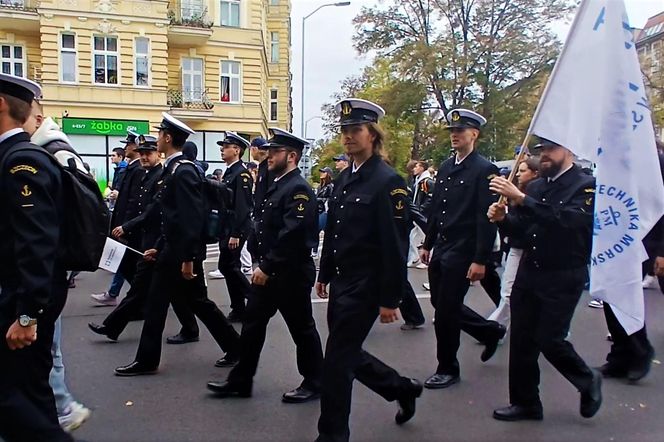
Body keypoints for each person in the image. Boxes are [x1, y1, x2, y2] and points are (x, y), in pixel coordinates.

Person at [315, 98, 422, 442]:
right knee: (346, 354)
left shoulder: (388, 182)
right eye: (344, 130)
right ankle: (401, 388)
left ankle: (332, 436)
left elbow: (395, 245)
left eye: (355, 130)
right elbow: (334, 229)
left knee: (335, 363)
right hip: (343, 281)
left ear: (372, 135)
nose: (347, 137)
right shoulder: (347, 177)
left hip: (366, 284)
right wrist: (324, 272)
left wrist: (391, 298)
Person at [114, 113, 240, 376]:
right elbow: (170, 218)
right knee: (187, 302)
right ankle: (236, 348)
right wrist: (158, 246)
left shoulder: (182, 171)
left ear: (168, 138)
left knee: (175, 303)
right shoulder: (178, 168)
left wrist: (188, 260)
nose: (157, 138)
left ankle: (148, 360)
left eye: (159, 134)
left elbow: (189, 219)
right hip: (173, 249)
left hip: (181, 252)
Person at [488, 136, 602, 421]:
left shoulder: (586, 185)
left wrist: (522, 199)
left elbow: (568, 221)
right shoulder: (538, 186)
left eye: (551, 149)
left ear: (569, 150)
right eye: (541, 150)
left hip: (564, 273)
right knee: (522, 340)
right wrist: (504, 219)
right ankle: (525, 402)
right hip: (531, 270)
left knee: (550, 339)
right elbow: (525, 232)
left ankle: (587, 379)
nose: (545, 155)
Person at [207, 128, 324, 403]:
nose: (269, 156)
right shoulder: (277, 183)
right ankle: (240, 380)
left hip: (290, 273)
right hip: (269, 271)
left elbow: (292, 234)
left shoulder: (298, 189)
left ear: (292, 156)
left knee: (302, 329)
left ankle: (315, 381)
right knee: (252, 325)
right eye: (269, 151)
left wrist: (267, 265)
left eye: (275, 152)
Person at [0, 73, 73, 441]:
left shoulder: (21, 162)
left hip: (21, 301)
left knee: (15, 400)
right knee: (28, 395)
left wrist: (27, 315)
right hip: (20, 297)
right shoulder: (15, 156)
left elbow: (37, 244)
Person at [418, 109, 506, 390]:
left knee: (445, 312)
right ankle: (489, 330)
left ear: (474, 135)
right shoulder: (446, 167)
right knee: (440, 304)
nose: (455, 135)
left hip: (464, 248)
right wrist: (427, 242)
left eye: (461, 131)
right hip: (443, 245)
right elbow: (436, 209)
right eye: (452, 131)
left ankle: (447, 367)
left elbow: (486, 217)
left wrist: (480, 259)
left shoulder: (484, 169)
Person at [88, 136, 200, 344]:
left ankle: (113, 327)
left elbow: (159, 211)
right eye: (141, 153)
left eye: (148, 153)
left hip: (159, 239)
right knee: (169, 291)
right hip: (152, 239)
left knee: (149, 289)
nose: (144, 157)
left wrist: (130, 228)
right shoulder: (148, 174)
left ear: (159, 154)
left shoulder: (167, 174)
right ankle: (190, 329)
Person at [23, 99, 92, 433]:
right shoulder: (42, 151)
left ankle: (60, 408)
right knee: (46, 346)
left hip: (45, 270)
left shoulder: (45, 154)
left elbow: (50, 223)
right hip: (50, 270)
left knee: (41, 346)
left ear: (37, 118)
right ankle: (61, 406)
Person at [598, 142, 662, 382]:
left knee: (627, 297)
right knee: (609, 297)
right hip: (613, 239)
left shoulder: (655, 164)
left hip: (644, 241)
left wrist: (662, 251)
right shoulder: (612, 163)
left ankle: (640, 352)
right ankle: (619, 355)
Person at [487, 157, 539, 331]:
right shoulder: (515, 192)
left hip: (531, 250)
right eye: (519, 170)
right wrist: (502, 217)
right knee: (508, 290)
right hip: (515, 247)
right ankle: (499, 327)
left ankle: (495, 327)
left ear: (535, 173)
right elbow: (515, 225)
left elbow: (532, 223)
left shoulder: (535, 195)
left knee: (515, 293)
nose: (518, 174)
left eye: (523, 170)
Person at [92, 131, 143, 307]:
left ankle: (136, 299)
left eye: (128, 145)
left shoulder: (138, 169)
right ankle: (135, 298)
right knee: (126, 265)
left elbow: (134, 202)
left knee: (129, 265)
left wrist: (125, 227)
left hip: (127, 226)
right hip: (122, 224)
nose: (125, 147)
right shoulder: (130, 167)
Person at [212, 132, 254, 322]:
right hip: (227, 226)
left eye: (226, 146)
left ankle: (253, 299)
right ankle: (239, 308)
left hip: (236, 227)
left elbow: (242, 206)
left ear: (236, 150)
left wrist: (236, 233)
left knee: (229, 265)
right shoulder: (230, 171)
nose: (222, 149)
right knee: (229, 265)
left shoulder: (242, 173)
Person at [408, 160, 434, 268]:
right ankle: (415, 258)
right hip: (420, 213)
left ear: (422, 168)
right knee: (413, 236)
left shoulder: (427, 182)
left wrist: (421, 209)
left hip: (424, 215)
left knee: (427, 238)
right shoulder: (419, 181)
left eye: (417, 166)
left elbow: (431, 198)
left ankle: (426, 260)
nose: (414, 169)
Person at [314, 166, 334, 256]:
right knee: (316, 230)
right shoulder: (320, 187)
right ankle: (315, 250)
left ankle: (316, 251)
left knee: (319, 229)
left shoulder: (330, 186)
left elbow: (330, 199)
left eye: (324, 172)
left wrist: (318, 199)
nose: (321, 173)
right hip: (318, 210)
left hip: (325, 210)